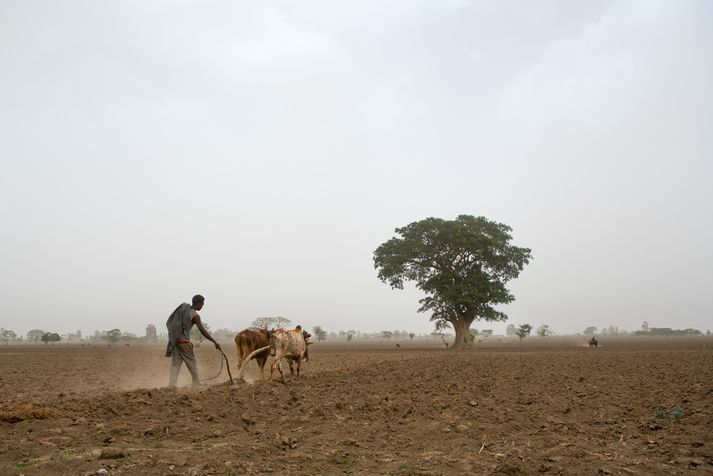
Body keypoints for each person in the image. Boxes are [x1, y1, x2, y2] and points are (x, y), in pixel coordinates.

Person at [165, 294, 221, 387]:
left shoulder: (182, 311)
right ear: (198, 303)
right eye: (202, 304)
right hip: (185, 344)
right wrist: (214, 341)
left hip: (176, 342)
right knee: (192, 364)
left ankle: (171, 385)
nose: (202, 306)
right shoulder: (195, 315)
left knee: (175, 365)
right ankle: (196, 383)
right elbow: (203, 331)